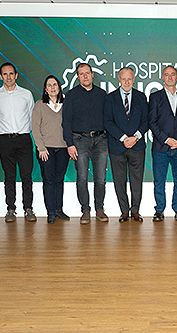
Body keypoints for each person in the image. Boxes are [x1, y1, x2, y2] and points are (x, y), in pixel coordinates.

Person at [62, 63, 109, 224]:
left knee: (101, 178)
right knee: (82, 177)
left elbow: (108, 119)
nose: (85, 76)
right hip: (79, 140)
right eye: (81, 74)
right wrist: (69, 143)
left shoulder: (102, 94)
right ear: (78, 76)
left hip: (101, 140)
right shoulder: (71, 95)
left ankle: (100, 208)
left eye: (87, 73)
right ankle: (85, 210)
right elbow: (66, 121)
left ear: (92, 74)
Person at [0, 62, 36, 223]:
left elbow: (32, 118)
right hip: (4, 140)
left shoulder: (26, 94)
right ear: (1, 76)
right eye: (5, 74)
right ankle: (11, 209)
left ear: (16, 75)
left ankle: (28, 208)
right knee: (9, 176)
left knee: (26, 176)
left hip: (24, 139)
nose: (8, 77)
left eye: (11, 74)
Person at [104, 67, 148, 222]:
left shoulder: (142, 97)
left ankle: (135, 211)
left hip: (137, 146)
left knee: (137, 180)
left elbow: (146, 121)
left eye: (129, 78)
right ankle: (124, 211)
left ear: (134, 79)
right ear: (119, 80)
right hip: (117, 146)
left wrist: (135, 137)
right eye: (124, 79)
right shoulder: (110, 98)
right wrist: (123, 138)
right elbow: (107, 122)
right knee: (119, 180)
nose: (127, 81)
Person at [148, 66, 177, 222]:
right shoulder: (155, 97)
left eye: (173, 74)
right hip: (161, 147)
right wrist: (166, 139)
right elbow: (152, 122)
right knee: (159, 180)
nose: (170, 77)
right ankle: (159, 210)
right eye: (167, 74)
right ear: (162, 77)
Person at [33, 75, 69, 224]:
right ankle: (51, 212)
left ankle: (59, 209)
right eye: (49, 85)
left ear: (59, 87)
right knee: (49, 180)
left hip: (63, 149)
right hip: (45, 149)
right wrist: (41, 147)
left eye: (55, 84)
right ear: (46, 89)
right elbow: (35, 128)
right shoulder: (40, 105)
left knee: (59, 180)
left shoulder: (66, 104)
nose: (53, 87)